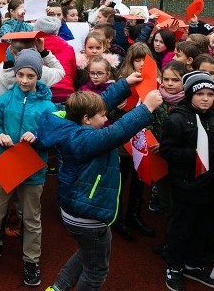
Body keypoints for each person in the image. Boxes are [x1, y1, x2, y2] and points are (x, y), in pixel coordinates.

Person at [37, 87, 164, 291]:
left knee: (86, 252)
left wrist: (125, 84)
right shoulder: (86, 140)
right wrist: (147, 108)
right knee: (96, 269)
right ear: (86, 119)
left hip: (75, 211)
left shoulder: (68, 125)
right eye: (103, 115)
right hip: (89, 216)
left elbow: (95, 104)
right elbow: (118, 131)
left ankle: (58, 288)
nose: (106, 119)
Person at [0, 49, 54, 286]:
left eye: (30, 76)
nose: (25, 80)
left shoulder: (48, 105)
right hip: (6, 164)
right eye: (21, 75)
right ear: (15, 74)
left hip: (33, 168)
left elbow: (52, 136)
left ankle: (31, 261)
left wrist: (37, 136)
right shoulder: (5, 99)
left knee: (31, 218)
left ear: (38, 76)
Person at [160, 72, 214, 291]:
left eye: (209, 93)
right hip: (185, 185)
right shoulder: (177, 118)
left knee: (202, 228)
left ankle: (192, 264)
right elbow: (167, 150)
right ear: (190, 94)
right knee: (181, 229)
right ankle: (174, 266)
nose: (206, 98)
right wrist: (196, 155)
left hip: (210, 186)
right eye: (200, 94)